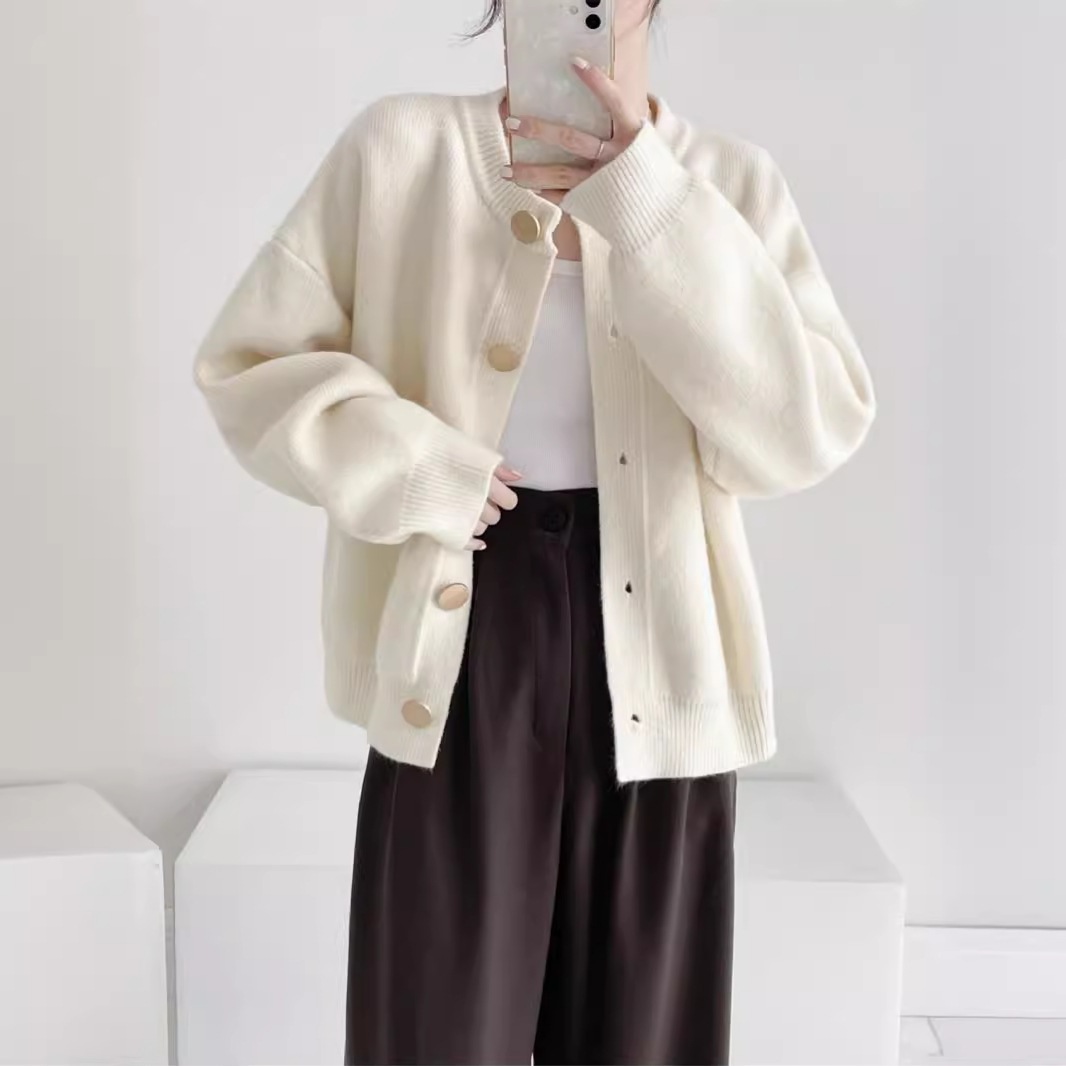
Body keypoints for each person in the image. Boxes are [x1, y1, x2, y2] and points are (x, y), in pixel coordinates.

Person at [194, 0, 876, 1061]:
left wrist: (648, 203)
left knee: (640, 1036)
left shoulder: (729, 185)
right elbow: (249, 365)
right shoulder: (400, 151)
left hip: (663, 649)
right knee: (435, 1031)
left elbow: (802, 433)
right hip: (460, 635)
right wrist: (414, 468)